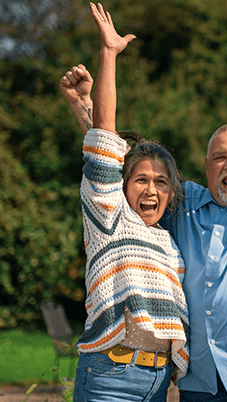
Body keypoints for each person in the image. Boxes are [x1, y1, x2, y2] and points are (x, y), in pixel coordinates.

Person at [61, 3, 227, 400]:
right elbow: (123, 166)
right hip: (203, 385)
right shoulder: (182, 205)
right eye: (220, 157)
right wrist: (84, 108)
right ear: (206, 166)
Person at [67, 3, 189, 401]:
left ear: (171, 192)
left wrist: (80, 103)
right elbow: (104, 142)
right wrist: (108, 54)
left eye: (160, 182)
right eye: (140, 180)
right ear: (122, 185)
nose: (151, 190)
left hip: (156, 383)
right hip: (109, 377)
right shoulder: (109, 218)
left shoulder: (168, 243)